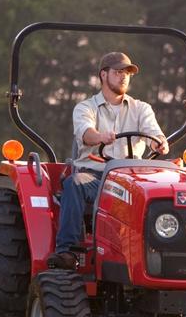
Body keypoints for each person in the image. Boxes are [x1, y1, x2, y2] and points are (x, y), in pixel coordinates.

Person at [47, 51, 169, 269]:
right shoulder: (86, 108)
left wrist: (158, 142)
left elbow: (154, 133)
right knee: (74, 184)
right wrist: (99, 136)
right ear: (103, 75)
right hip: (95, 177)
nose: (124, 77)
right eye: (118, 72)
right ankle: (67, 252)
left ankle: (158, 257)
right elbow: (86, 133)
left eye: (127, 73)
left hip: (130, 178)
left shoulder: (141, 109)